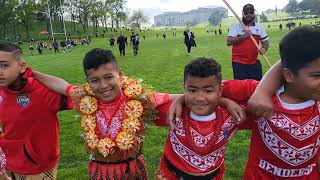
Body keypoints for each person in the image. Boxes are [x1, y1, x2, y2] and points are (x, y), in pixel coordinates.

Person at [33, 48, 178, 179]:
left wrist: (184, 97)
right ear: (87, 82)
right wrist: (32, 73)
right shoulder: (85, 98)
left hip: (131, 171)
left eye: (109, 77)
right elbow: (63, 86)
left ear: (120, 74)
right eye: (95, 80)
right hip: (98, 172)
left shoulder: (138, 99)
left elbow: (170, 98)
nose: (103, 86)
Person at [223, 26, 320, 179]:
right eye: (317, 76)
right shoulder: (256, 93)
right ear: (288, 75)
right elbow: (207, 90)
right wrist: (225, 101)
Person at [154, 58, 245, 179]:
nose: (200, 98)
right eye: (192, 90)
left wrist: (225, 102)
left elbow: (259, 95)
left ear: (220, 90)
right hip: (171, 175)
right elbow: (139, 98)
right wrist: (180, 99)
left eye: (208, 91)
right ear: (184, 88)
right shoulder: (174, 111)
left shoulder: (233, 114)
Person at [0, 41, 72, 179]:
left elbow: (76, 98)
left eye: (4, 65)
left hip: (41, 165)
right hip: (14, 162)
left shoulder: (41, 90)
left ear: (22, 66)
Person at [227, 4, 269, 80]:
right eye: (246, 13)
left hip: (254, 62)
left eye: (251, 12)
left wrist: (263, 49)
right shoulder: (236, 27)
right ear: (242, 14)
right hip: (239, 63)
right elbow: (229, 42)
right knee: (242, 87)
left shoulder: (259, 28)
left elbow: (265, 42)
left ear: (254, 13)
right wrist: (244, 36)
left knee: (256, 86)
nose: (248, 14)